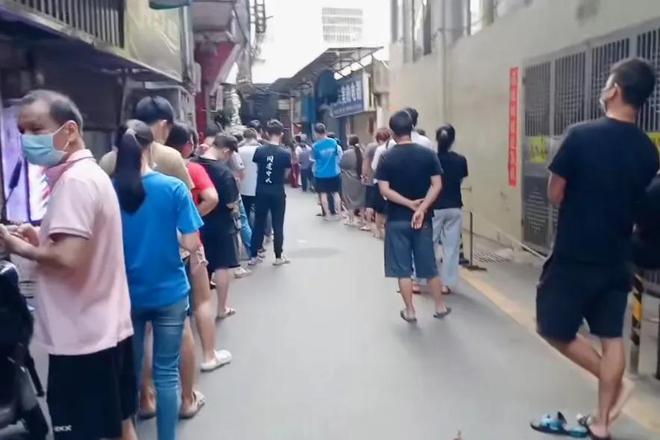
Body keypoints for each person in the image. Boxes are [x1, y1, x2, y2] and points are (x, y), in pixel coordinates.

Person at [533, 58, 659, 440]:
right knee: (610, 335)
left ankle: (615, 383)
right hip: (618, 257)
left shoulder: (579, 135)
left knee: (552, 327)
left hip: (575, 253)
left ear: (615, 89)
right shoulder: (648, 150)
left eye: (607, 82)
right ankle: (602, 423)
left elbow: (555, 193)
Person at [0, 90, 137, 440]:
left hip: (82, 340)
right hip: (106, 328)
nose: (28, 139)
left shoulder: (74, 183)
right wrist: (38, 238)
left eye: (37, 129)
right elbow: (81, 247)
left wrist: (17, 246)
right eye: (23, 131)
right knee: (120, 425)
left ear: (70, 130)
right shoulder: (87, 175)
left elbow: (68, 257)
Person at [113, 120, 204, 440]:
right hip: (169, 292)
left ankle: (130, 431)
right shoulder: (173, 188)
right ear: (150, 147)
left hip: (126, 295)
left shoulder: (109, 189)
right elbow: (191, 242)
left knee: (132, 370)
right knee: (167, 374)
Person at [165, 123, 232, 374]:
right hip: (189, 246)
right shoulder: (191, 168)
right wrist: (190, 220)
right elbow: (212, 198)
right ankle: (208, 355)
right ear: (188, 145)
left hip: (153, 250)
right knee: (202, 301)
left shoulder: (142, 169)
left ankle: (150, 387)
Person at [375, 110, 450, 323]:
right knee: (429, 266)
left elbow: (384, 190)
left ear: (392, 132)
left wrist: (408, 204)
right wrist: (421, 208)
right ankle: (440, 306)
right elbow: (437, 185)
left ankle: (410, 311)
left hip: (397, 219)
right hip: (422, 221)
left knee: (403, 269)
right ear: (412, 128)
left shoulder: (387, 157)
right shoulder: (427, 154)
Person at [193, 134, 242, 320]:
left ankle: (199, 307)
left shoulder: (192, 164)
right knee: (221, 265)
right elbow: (231, 203)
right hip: (220, 224)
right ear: (226, 150)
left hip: (196, 224)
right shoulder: (224, 172)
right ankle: (221, 308)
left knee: (201, 266)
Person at [99, 96, 193, 189]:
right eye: (170, 128)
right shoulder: (172, 158)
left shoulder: (107, 160)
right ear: (163, 125)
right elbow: (187, 195)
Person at [249, 119, 292, 266]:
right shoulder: (285, 153)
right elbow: (286, 173)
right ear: (281, 134)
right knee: (278, 224)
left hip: (261, 190)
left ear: (267, 133)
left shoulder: (259, 151)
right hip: (278, 190)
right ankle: (278, 257)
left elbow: (258, 168)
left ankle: (253, 256)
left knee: (259, 223)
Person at [432, 124, 468, 295]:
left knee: (429, 244)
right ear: (453, 140)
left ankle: (425, 279)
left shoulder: (432, 159)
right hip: (454, 206)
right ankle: (447, 284)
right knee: (451, 247)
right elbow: (460, 180)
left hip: (434, 207)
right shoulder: (461, 160)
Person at [313, 123, 343, 221]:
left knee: (323, 194)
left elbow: (314, 159)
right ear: (325, 130)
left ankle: (328, 215)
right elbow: (337, 155)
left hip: (321, 174)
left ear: (316, 133)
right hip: (334, 172)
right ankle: (339, 214)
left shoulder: (315, 146)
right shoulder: (333, 142)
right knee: (336, 193)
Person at [371, 128, 393, 239]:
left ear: (379, 139)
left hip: (380, 182)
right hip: (393, 182)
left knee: (379, 210)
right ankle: (388, 231)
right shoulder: (395, 147)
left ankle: (379, 231)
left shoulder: (380, 149)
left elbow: (374, 166)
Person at [340, 134, 367, 227]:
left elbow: (342, 164)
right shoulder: (362, 152)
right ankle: (363, 220)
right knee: (362, 201)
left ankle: (350, 219)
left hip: (348, 179)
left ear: (349, 142)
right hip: (360, 179)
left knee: (349, 200)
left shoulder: (346, 153)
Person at [239, 128, 261, 224]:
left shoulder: (239, 150)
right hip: (260, 186)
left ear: (244, 137)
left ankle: (249, 230)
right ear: (255, 137)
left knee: (246, 212)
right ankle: (266, 230)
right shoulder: (261, 150)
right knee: (262, 212)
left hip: (243, 187)